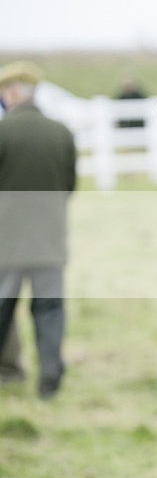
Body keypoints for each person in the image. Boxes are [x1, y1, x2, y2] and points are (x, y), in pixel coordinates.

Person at [0, 60, 76, 399]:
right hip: (50, 240)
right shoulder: (60, 132)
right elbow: (68, 186)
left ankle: (7, 374)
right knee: (49, 310)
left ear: (14, 91)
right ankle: (49, 377)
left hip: (7, 241)